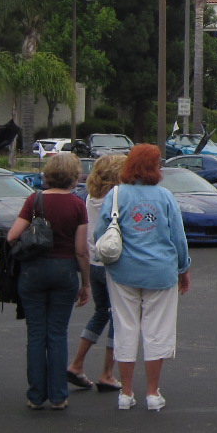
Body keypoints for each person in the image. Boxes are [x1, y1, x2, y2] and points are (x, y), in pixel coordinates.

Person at [98, 145, 190, 411]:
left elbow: (100, 233)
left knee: (125, 328)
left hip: (123, 271)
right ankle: (152, 392)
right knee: (157, 331)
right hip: (160, 271)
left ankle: (126, 392)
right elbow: (178, 238)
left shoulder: (116, 194)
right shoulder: (165, 197)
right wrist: (183, 268)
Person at [4, 152, 90, 410]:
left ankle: (36, 395)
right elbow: (81, 250)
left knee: (36, 333)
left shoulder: (34, 200)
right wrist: (85, 283)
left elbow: (12, 236)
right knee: (57, 333)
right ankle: (58, 395)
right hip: (65, 270)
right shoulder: (78, 205)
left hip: (33, 270)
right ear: (73, 176)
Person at [69, 154, 125, 392]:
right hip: (112, 263)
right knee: (118, 317)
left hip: (94, 262)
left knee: (101, 312)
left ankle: (77, 363)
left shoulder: (90, 197)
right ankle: (107, 373)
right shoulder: (118, 197)